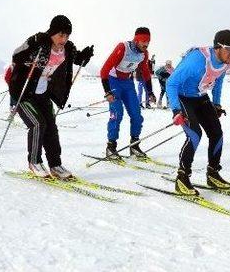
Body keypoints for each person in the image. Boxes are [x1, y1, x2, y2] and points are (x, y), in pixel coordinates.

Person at [9, 15, 94, 179]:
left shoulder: (67, 48)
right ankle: (34, 161)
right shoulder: (40, 42)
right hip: (24, 92)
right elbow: (17, 55)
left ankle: (55, 165)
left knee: (51, 129)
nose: (64, 39)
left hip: (44, 93)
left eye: (67, 35)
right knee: (37, 124)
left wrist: (84, 56)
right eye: (61, 35)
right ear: (52, 32)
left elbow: (76, 59)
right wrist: (32, 42)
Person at [166, 29, 230, 195]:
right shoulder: (196, 61)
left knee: (217, 133)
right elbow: (171, 83)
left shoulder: (225, 62)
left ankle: (213, 174)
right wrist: (176, 110)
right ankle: (182, 178)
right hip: (183, 97)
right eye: (229, 49)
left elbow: (218, 81)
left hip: (200, 97)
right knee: (195, 134)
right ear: (217, 47)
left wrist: (217, 104)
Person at [99, 27, 156, 160]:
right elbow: (104, 70)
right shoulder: (123, 47)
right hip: (113, 82)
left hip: (127, 83)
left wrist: (150, 92)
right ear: (136, 40)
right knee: (117, 114)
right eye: (143, 41)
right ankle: (111, 147)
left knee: (136, 115)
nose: (146, 44)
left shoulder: (144, 54)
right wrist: (107, 91)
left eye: (148, 41)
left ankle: (134, 146)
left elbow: (146, 73)